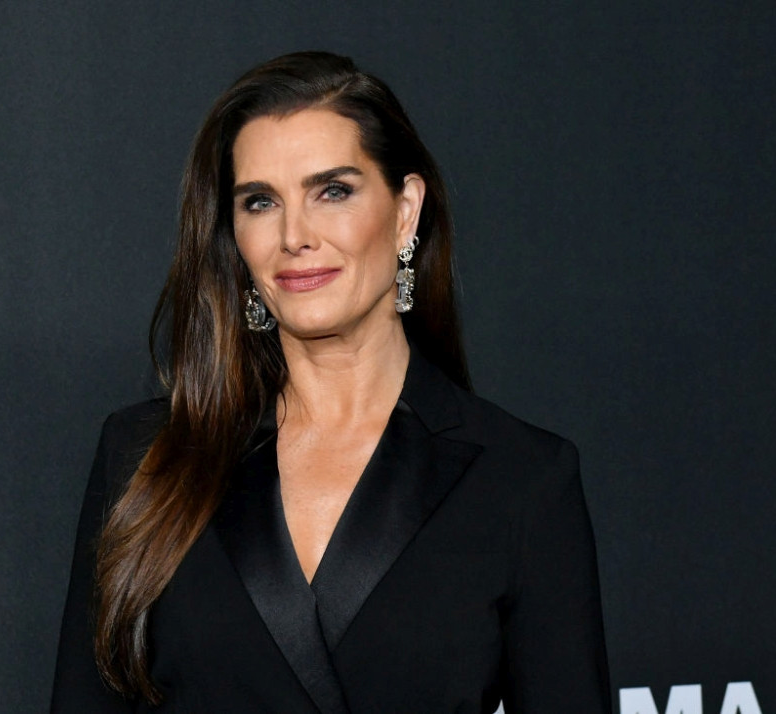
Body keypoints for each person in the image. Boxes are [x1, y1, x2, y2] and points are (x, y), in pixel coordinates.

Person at [51, 51, 611, 714]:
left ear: (405, 211)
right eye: (261, 202)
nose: (294, 235)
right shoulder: (146, 456)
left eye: (333, 192)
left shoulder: (523, 479)